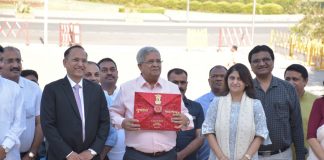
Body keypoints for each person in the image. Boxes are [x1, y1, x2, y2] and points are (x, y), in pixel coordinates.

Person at [109, 46, 193, 160]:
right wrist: (122, 122)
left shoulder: (172, 88)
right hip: (136, 155)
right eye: (151, 61)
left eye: (158, 61)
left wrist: (186, 119)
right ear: (140, 66)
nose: (156, 65)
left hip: (167, 155)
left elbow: (186, 115)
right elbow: (112, 113)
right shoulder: (127, 88)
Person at [40, 45, 110, 160]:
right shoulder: (52, 89)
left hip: (90, 157)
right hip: (61, 156)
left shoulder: (96, 90)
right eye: (75, 60)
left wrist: (92, 151)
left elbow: (105, 122)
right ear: (65, 62)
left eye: (84, 60)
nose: (80, 64)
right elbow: (48, 125)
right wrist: (68, 153)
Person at [202, 63, 270, 160]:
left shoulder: (255, 104)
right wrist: (221, 157)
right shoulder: (217, 102)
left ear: (246, 82)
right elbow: (208, 130)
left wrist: (246, 157)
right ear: (227, 80)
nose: (235, 82)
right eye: (232, 78)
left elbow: (261, 133)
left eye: (239, 79)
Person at [248, 45, 305, 159]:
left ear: (273, 61)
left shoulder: (288, 89)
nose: (261, 63)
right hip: (251, 156)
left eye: (266, 59)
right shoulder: (245, 89)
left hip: (282, 155)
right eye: (256, 61)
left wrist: (300, 155)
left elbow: (296, 125)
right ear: (251, 65)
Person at [1, 46, 43, 160]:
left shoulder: (34, 89)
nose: (16, 65)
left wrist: (31, 153)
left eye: (18, 61)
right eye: (10, 61)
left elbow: (40, 123)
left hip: (27, 155)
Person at [83, 59, 118, 160]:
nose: (93, 78)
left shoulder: (105, 98)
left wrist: (100, 156)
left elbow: (112, 135)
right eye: (88, 75)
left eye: (96, 75)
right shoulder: (69, 96)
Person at [167, 68, 204, 160]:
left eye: (182, 82)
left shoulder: (196, 107)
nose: (179, 86)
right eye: (175, 82)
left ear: (187, 84)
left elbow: (200, 137)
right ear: (167, 84)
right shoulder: (157, 106)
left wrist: (180, 155)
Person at [196, 65, 227, 160]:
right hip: (205, 156)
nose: (218, 79)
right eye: (214, 76)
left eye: (222, 76)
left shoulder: (238, 102)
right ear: (209, 81)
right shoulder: (198, 104)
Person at [0, 47, 26, 160]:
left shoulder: (14, 89)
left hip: (9, 154)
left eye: (1, 60)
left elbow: (19, 123)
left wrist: (4, 148)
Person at [284, 64, 318, 148]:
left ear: (305, 81)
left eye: (295, 79)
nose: (290, 83)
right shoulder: (277, 100)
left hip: (310, 153)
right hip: (284, 154)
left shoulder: (317, 102)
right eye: (287, 79)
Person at [98, 58, 124, 160]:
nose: (109, 73)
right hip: (102, 154)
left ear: (117, 73)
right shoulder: (93, 96)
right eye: (104, 70)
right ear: (98, 73)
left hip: (126, 153)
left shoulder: (126, 94)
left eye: (112, 69)